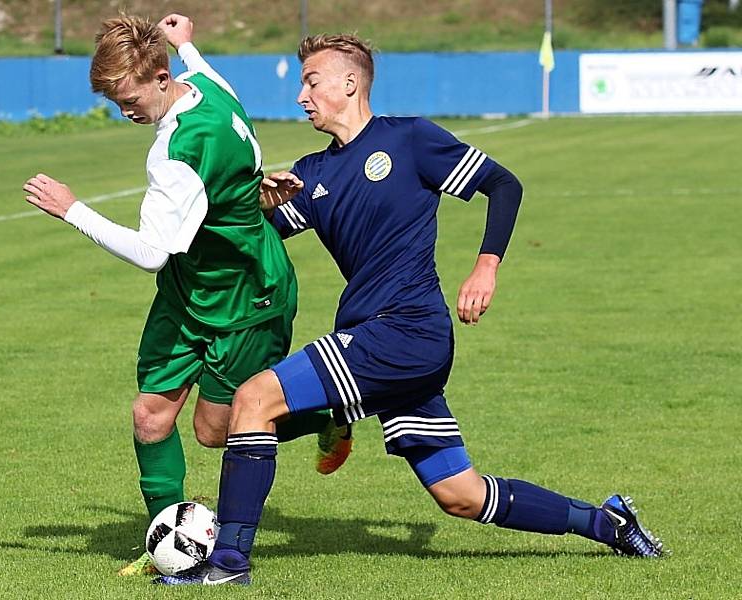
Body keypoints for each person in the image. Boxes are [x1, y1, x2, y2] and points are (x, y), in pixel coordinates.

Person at [155, 29, 667, 587]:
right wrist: (248, 199)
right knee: (462, 495)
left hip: (404, 331)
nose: (301, 95)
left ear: (350, 83)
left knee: (254, 398)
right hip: (388, 343)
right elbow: (247, 238)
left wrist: (485, 266)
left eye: (312, 81)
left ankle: (228, 564)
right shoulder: (312, 174)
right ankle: (608, 522)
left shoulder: (410, 140)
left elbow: (504, 185)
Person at [22, 13, 351, 577]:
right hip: (187, 292)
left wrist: (71, 208)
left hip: (247, 296)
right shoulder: (205, 85)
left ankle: (327, 414)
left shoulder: (175, 153)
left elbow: (152, 251)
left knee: (215, 431)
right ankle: (166, 548)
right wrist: (188, 42)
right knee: (150, 417)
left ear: (157, 76)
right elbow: (205, 71)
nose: (123, 109)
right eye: (111, 98)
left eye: (127, 96)